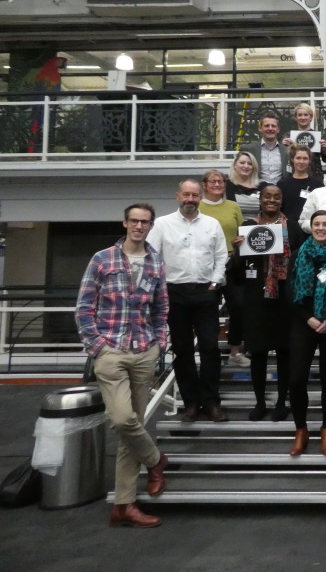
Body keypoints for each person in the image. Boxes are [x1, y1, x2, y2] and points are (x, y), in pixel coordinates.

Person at [75, 203, 169, 528]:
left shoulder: (156, 261)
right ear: (125, 223)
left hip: (144, 349)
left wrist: (159, 344)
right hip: (110, 350)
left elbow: (161, 308)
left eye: (145, 222)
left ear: (151, 225)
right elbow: (84, 307)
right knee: (122, 418)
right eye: (134, 221)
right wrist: (97, 347)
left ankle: (123, 505)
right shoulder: (102, 259)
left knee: (134, 426)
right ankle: (156, 460)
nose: (139, 227)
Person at [147, 179, 229, 422]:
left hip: (205, 292)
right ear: (177, 196)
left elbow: (221, 255)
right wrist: (159, 286)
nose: (190, 199)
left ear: (200, 197)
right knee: (182, 351)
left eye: (195, 195)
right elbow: (152, 256)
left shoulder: (212, 224)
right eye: (186, 195)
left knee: (210, 349)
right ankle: (191, 403)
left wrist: (215, 282)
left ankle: (212, 402)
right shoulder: (162, 224)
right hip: (174, 293)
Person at [232, 184, 300, 421]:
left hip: (285, 298)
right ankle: (260, 402)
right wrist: (238, 251)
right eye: (267, 196)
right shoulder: (249, 227)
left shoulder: (292, 227)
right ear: (260, 200)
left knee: (284, 353)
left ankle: (282, 401)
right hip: (256, 299)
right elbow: (236, 274)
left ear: (281, 201)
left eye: (276, 197)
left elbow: (300, 264)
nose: (271, 200)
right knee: (258, 354)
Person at [289, 209, 326, 457]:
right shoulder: (297, 255)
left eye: (325, 224)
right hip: (304, 323)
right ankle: (301, 429)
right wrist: (310, 319)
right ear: (311, 227)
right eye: (317, 224)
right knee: (296, 379)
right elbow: (289, 294)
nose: (321, 228)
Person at [198, 169, 248, 367]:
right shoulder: (198, 207)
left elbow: (241, 231)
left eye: (220, 181)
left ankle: (235, 351)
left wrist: (240, 239)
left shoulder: (233, 206)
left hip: (231, 262)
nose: (217, 185)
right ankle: (209, 352)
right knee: (208, 309)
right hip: (206, 265)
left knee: (238, 307)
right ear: (205, 185)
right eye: (212, 181)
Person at [278, 144, 324, 235]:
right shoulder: (282, 184)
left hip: (310, 230)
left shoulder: (318, 183)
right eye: (298, 158)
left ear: (309, 161)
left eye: (305, 158)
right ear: (292, 159)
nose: (301, 161)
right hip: (288, 229)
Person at [240, 111, 289, 184]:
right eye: (266, 126)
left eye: (273, 126)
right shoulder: (249, 149)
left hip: (280, 192)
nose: (270, 128)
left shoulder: (286, 151)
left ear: (278, 129)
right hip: (255, 191)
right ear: (260, 128)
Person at [281, 103, 326, 175]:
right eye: (300, 115)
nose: (303, 118)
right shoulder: (288, 136)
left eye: (306, 115)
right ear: (295, 118)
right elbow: (283, 159)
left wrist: (325, 150)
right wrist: (283, 147)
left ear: (311, 117)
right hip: (294, 176)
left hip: (315, 176)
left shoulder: (319, 136)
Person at [226, 150, 268, 221]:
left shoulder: (263, 186)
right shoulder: (226, 185)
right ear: (234, 166)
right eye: (242, 163)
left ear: (253, 167)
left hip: (257, 229)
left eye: (250, 164)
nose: (246, 166)